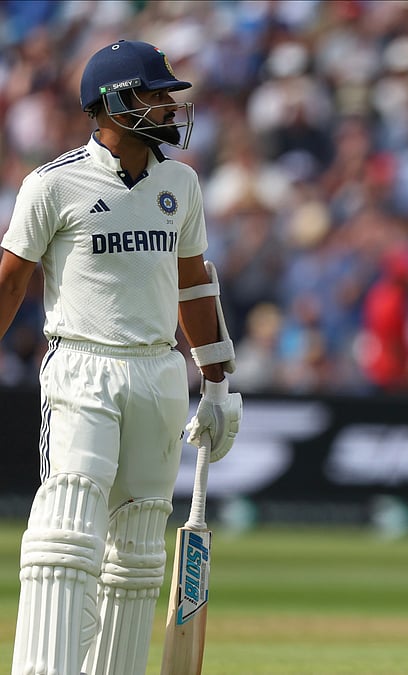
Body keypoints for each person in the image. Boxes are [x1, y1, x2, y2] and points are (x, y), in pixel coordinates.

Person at [0, 40, 243, 675]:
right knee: (66, 535)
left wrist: (217, 383)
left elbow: (193, 283)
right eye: (152, 93)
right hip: (83, 365)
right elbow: (10, 282)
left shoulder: (180, 183)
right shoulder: (52, 184)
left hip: (159, 372)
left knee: (136, 554)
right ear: (109, 103)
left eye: (168, 95)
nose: (168, 105)